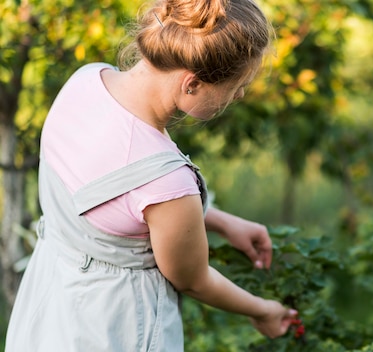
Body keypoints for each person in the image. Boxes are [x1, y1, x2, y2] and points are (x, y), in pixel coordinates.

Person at [5, 0, 297, 350]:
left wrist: (219, 221)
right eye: (237, 85)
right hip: (114, 328)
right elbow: (193, 279)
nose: (240, 94)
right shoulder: (166, 178)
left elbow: (120, 200)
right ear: (192, 84)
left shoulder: (85, 81)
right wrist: (263, 310)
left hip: (51, 305)